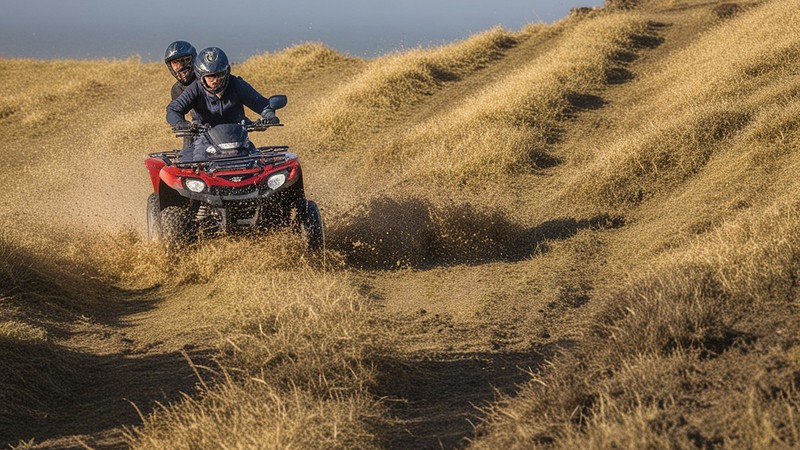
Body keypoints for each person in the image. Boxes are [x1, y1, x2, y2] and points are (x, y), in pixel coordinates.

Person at [167, 47, 279, 162]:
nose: (215, 80)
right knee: (184, 168)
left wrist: (269, 115)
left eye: (219, 74)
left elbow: (260, 103)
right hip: (202, 141)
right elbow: (173, 110)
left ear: (227, 72)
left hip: (239, 141)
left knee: (262, 166)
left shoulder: (236, 83)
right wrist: (180, 123)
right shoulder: (195, 89)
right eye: (210, 76)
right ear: (201, 76)